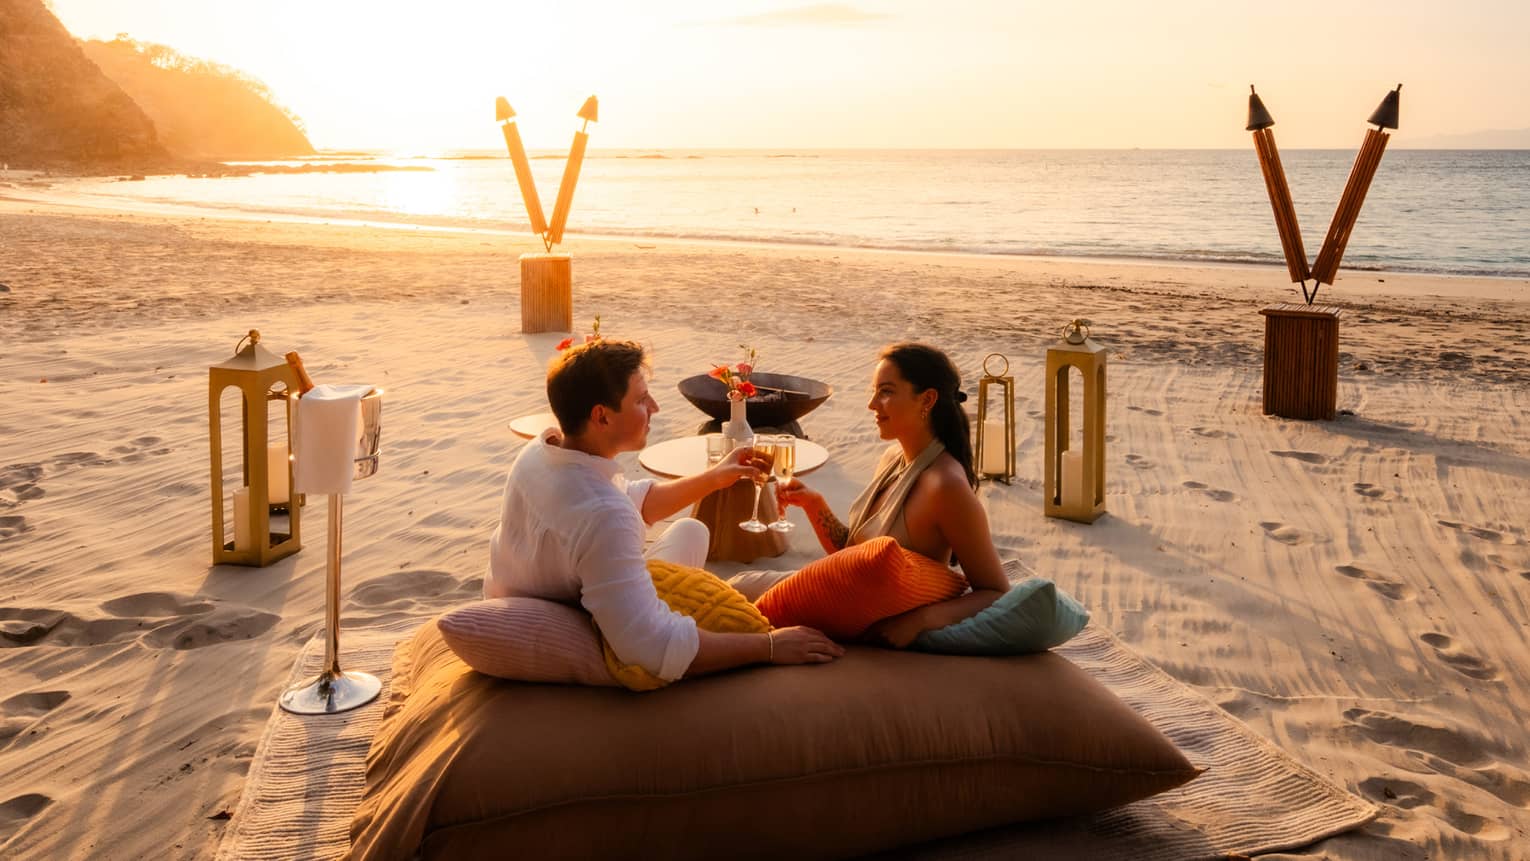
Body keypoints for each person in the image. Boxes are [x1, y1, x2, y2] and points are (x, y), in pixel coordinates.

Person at [487, 338, 842, 683]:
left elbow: (632, 500)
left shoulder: (542, 450)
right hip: (568, 618)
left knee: (692, 530)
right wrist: (769, 646)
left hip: (524, 582)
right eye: (641, 399)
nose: (655, 407)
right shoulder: (602, 516)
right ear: (602, 417)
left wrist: (716, 477)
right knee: (681, 562)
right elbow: (653, 649)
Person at [776, 342, 1010, 648]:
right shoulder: (892, 458)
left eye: (886, 392)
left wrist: (920, 621)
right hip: (842, 605)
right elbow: (854, 553)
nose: (872, 404)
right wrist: (813, 504)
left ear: (927, 399)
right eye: (873, 391)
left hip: (870, 634)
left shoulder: (945, 486)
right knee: (733, 591)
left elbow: (995, 592)